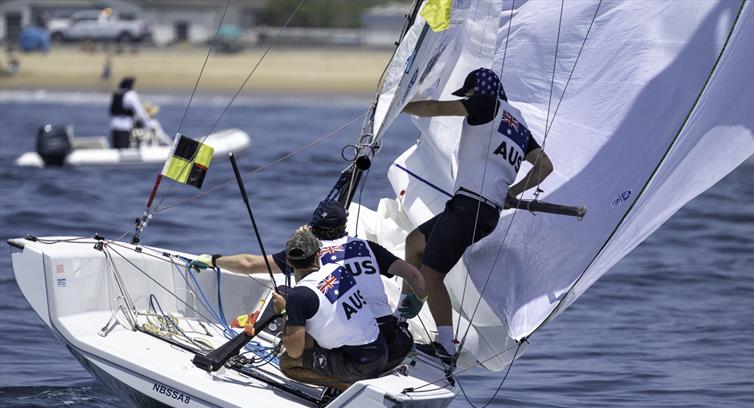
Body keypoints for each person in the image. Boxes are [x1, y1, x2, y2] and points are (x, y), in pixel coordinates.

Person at [397, 68, 554, 361]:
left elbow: (433, 108)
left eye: (467, 95)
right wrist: (513, 192)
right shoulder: (518, 124)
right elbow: (544, 166)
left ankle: (445, 346)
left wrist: (396, 106)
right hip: (484, 210)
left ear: (476, 92)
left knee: (431, 277)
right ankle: (400, 318)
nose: (466, 100)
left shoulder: (486, 103)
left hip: (469, 207)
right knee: (415, 242)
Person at [190, 199, 427, 371]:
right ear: (344, 225)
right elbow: (415, 276)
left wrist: (213, 259)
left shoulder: (309, 252)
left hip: (356, 347)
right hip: (391, 341)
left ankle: (306, 360)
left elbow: (248, 264)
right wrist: (418, 300)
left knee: (290, 298)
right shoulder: (366, 247)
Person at [271, 228, 387, 391]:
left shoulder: (299, 296)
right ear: (318, 254)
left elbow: (294, 351)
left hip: (360, 365)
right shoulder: (337, 269)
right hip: (381, 351)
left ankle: (346, 387)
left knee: (287, 362)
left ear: (288, 261)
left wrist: (285, 312)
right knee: (311, 325)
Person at [109, 77, 170, 148]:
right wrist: (147, 123)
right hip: (125, 128)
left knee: (117, 148)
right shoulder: (130, 95)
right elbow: (140, 111)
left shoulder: (116, 95)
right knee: (123, 149)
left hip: (114, 126)